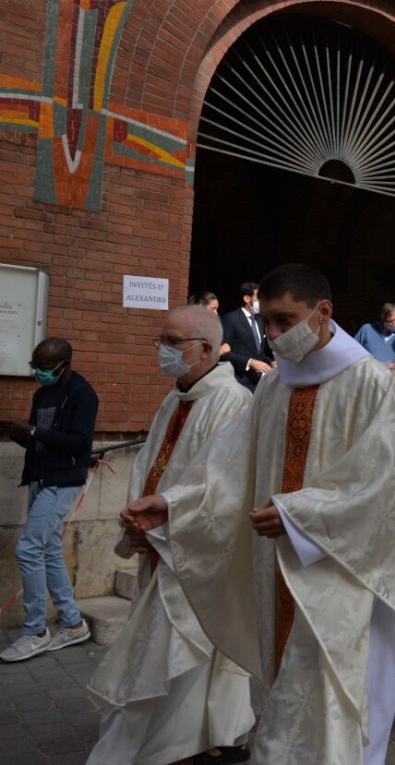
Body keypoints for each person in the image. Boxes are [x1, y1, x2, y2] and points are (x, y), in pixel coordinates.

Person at [122, 264, 395, 765]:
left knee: (332, 694)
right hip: (278, 571)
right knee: (286, 687)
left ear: (323, 312)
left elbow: (387, 487)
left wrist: (298, 515)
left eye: (285, 321)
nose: (273, 335)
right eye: (266, 322)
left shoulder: (369, 383)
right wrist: (174, 503)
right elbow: (231, 463)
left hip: (342, 572)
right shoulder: (274, 386)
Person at [87, 306, 254, 765]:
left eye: (172, 342)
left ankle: (181, 743)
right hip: (161, 541)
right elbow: (150, 466)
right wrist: (137, 519)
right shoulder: (174, 398)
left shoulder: (233, 401)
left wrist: (166, 515)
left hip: (197, 549)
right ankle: (220, 734)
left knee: (185, 645)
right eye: (160, 340)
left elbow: (226, 483)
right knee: (179, 646)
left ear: (203, 349)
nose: (162, 350)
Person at [0, 338, 97, 662]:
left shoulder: (82, 394)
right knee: (49, 550)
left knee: (28, 549)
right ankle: (72, 624)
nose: (39, 372)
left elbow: (79, 444)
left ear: (63, 364)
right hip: (39, 478)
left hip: (63, 481)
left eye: (45, 366)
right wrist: (20, 436)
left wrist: (34, 433)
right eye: (35, 365)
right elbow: (41, 441)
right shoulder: (43, 393)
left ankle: (35, 632)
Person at [220, 281, 273, 392]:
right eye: (258, 298)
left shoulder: (259, 320)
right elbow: (224, 352)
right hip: (238, 382)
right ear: (247, 299)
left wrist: (270, 361)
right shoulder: (231, 319)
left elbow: (257, 352)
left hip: (258, 382)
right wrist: (250, 362)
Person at [354, 302, 395, 371]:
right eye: (390, 321)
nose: (394, 324)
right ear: (382, 319)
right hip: (366, 376)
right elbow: (352, 352)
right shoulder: (366, 330)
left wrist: (394, 366)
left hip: (387, 378)